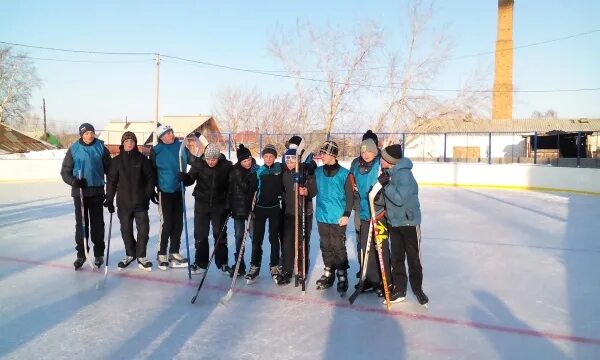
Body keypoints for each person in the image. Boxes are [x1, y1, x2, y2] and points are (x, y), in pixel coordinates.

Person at [377, 144, 428, 306]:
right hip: (394, 221)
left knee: (413, 258)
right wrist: (376, 192)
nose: (380, 160)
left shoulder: (404, 175)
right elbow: (385, 199)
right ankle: (399, 290)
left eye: (383, 158)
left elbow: (399, 199)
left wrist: (386, 185)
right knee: (397, 257)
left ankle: (418, 289)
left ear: (389, 161)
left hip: (408, 222)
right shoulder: (388, 173)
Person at [60, 122, 111, 270]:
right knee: (82, 225)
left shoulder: (101, 147)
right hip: (80, 193)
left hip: (96, 191)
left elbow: (110, 171)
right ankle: (82, 254)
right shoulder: (74, 149)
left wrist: (110, 191)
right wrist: (74, 182)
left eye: (91, 132)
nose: (89, 135)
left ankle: (99, 254)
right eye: (86, 133)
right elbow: (65, 172)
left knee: (97, 225)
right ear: (81, 134)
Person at [105, 131, 156, 271]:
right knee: (126, 230)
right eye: (126, 141)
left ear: (135, 143)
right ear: (123, 143)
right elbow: (111, 182)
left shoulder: (142, 160)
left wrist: (147, 194)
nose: (129, 144)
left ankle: (141, 256)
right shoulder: (116, 161)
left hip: (141, 203)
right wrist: (109, 199)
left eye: (132, 141)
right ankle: (130, 254)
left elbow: (151, 179)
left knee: (143, 231)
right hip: (124, 204)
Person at [179, 143, 232, 275]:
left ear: (218, 157)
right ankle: (201, 263)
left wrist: (229, 203)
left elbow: (233, 183)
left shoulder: (226, 166)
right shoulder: (199, 164)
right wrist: (184, 178)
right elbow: (190, 179)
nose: (211, 162)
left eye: (213, 159)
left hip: (219, 205)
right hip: (201, 204)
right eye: (208, 159)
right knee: (200, 235)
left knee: (219, 235)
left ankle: (223, 263)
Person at [349, 130, 390, 293]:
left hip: (379, 212)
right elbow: (351, 180)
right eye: (363, 151)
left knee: (380, 246)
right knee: (365, 246)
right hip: (363, 211)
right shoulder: (356, 164)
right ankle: (370, 279)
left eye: (370, 151)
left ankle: (385, 281)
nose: (366, 154)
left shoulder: (380, 163)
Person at [313, 141, 354, 294]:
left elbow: (350, 196)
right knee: (325, 245)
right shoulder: (317, 172)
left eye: (324, 153)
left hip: (338, 217)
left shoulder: (345, 173)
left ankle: (342, 274)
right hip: (322, 215)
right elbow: (312, 191)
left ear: (332, 155)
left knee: (338, 246)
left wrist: (346, 214)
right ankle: (329, 272)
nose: (321, 156)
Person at [149, 124, 189, 270]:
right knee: (166, 223)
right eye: (167, 133)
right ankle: (162, 253)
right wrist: (152, 189)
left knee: (178, 223)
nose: (171, 134)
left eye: (171, 131)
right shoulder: (156, 151)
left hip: (179, 190)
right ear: (161, 137)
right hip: (164, 190)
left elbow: (193, 161)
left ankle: (174, 251)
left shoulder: (181, 147)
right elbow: (151, 171)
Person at [245, 144, 284, 285]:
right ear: (263, 157)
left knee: (274, 239)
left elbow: (295, 163)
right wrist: (250, 207)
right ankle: (255, 266)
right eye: (266, 156)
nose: (268, 159)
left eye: (271, 156)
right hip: (260, 209)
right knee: (257, 240)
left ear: (275, 157)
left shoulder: (280, 168)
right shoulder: (258, 171)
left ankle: (274, 266)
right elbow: (252, 190)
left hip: (274, 209)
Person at [280, 147, 316, 285]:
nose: (290, 163)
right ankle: (288, 270)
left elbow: (313, 191)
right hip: (289, 213)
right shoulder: (284, 174)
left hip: (304, 213)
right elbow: (282, 191)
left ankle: (302, 270)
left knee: (302, 242)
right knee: (288, 243)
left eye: (293, 160)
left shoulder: (305, 172)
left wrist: (305, 191)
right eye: (287, 160)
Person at [227, 144, 258, 277]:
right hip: (239, 209)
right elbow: (232, 190)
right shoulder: (235, 172)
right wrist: (228, 207)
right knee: (239, 237)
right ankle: (239, 265)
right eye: (244, 161)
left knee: (254, 237)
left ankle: (254, 265)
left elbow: (256, 189)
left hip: (252, 209)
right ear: (240, 161)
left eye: (249, 160)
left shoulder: (255, 170)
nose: (247, 163)